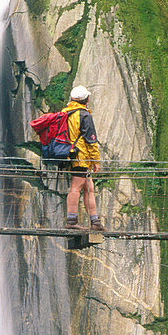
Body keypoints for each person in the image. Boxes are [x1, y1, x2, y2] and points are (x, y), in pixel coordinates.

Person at [64, 85, 103, 231]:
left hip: (70, 155)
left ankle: (95, 222)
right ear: (86, 99)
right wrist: (95, 161)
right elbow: (91, 141)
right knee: (76, 187)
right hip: (81, 156)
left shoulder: (66, 113)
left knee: (89, 188)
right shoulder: (84, 115)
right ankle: (71, 221)